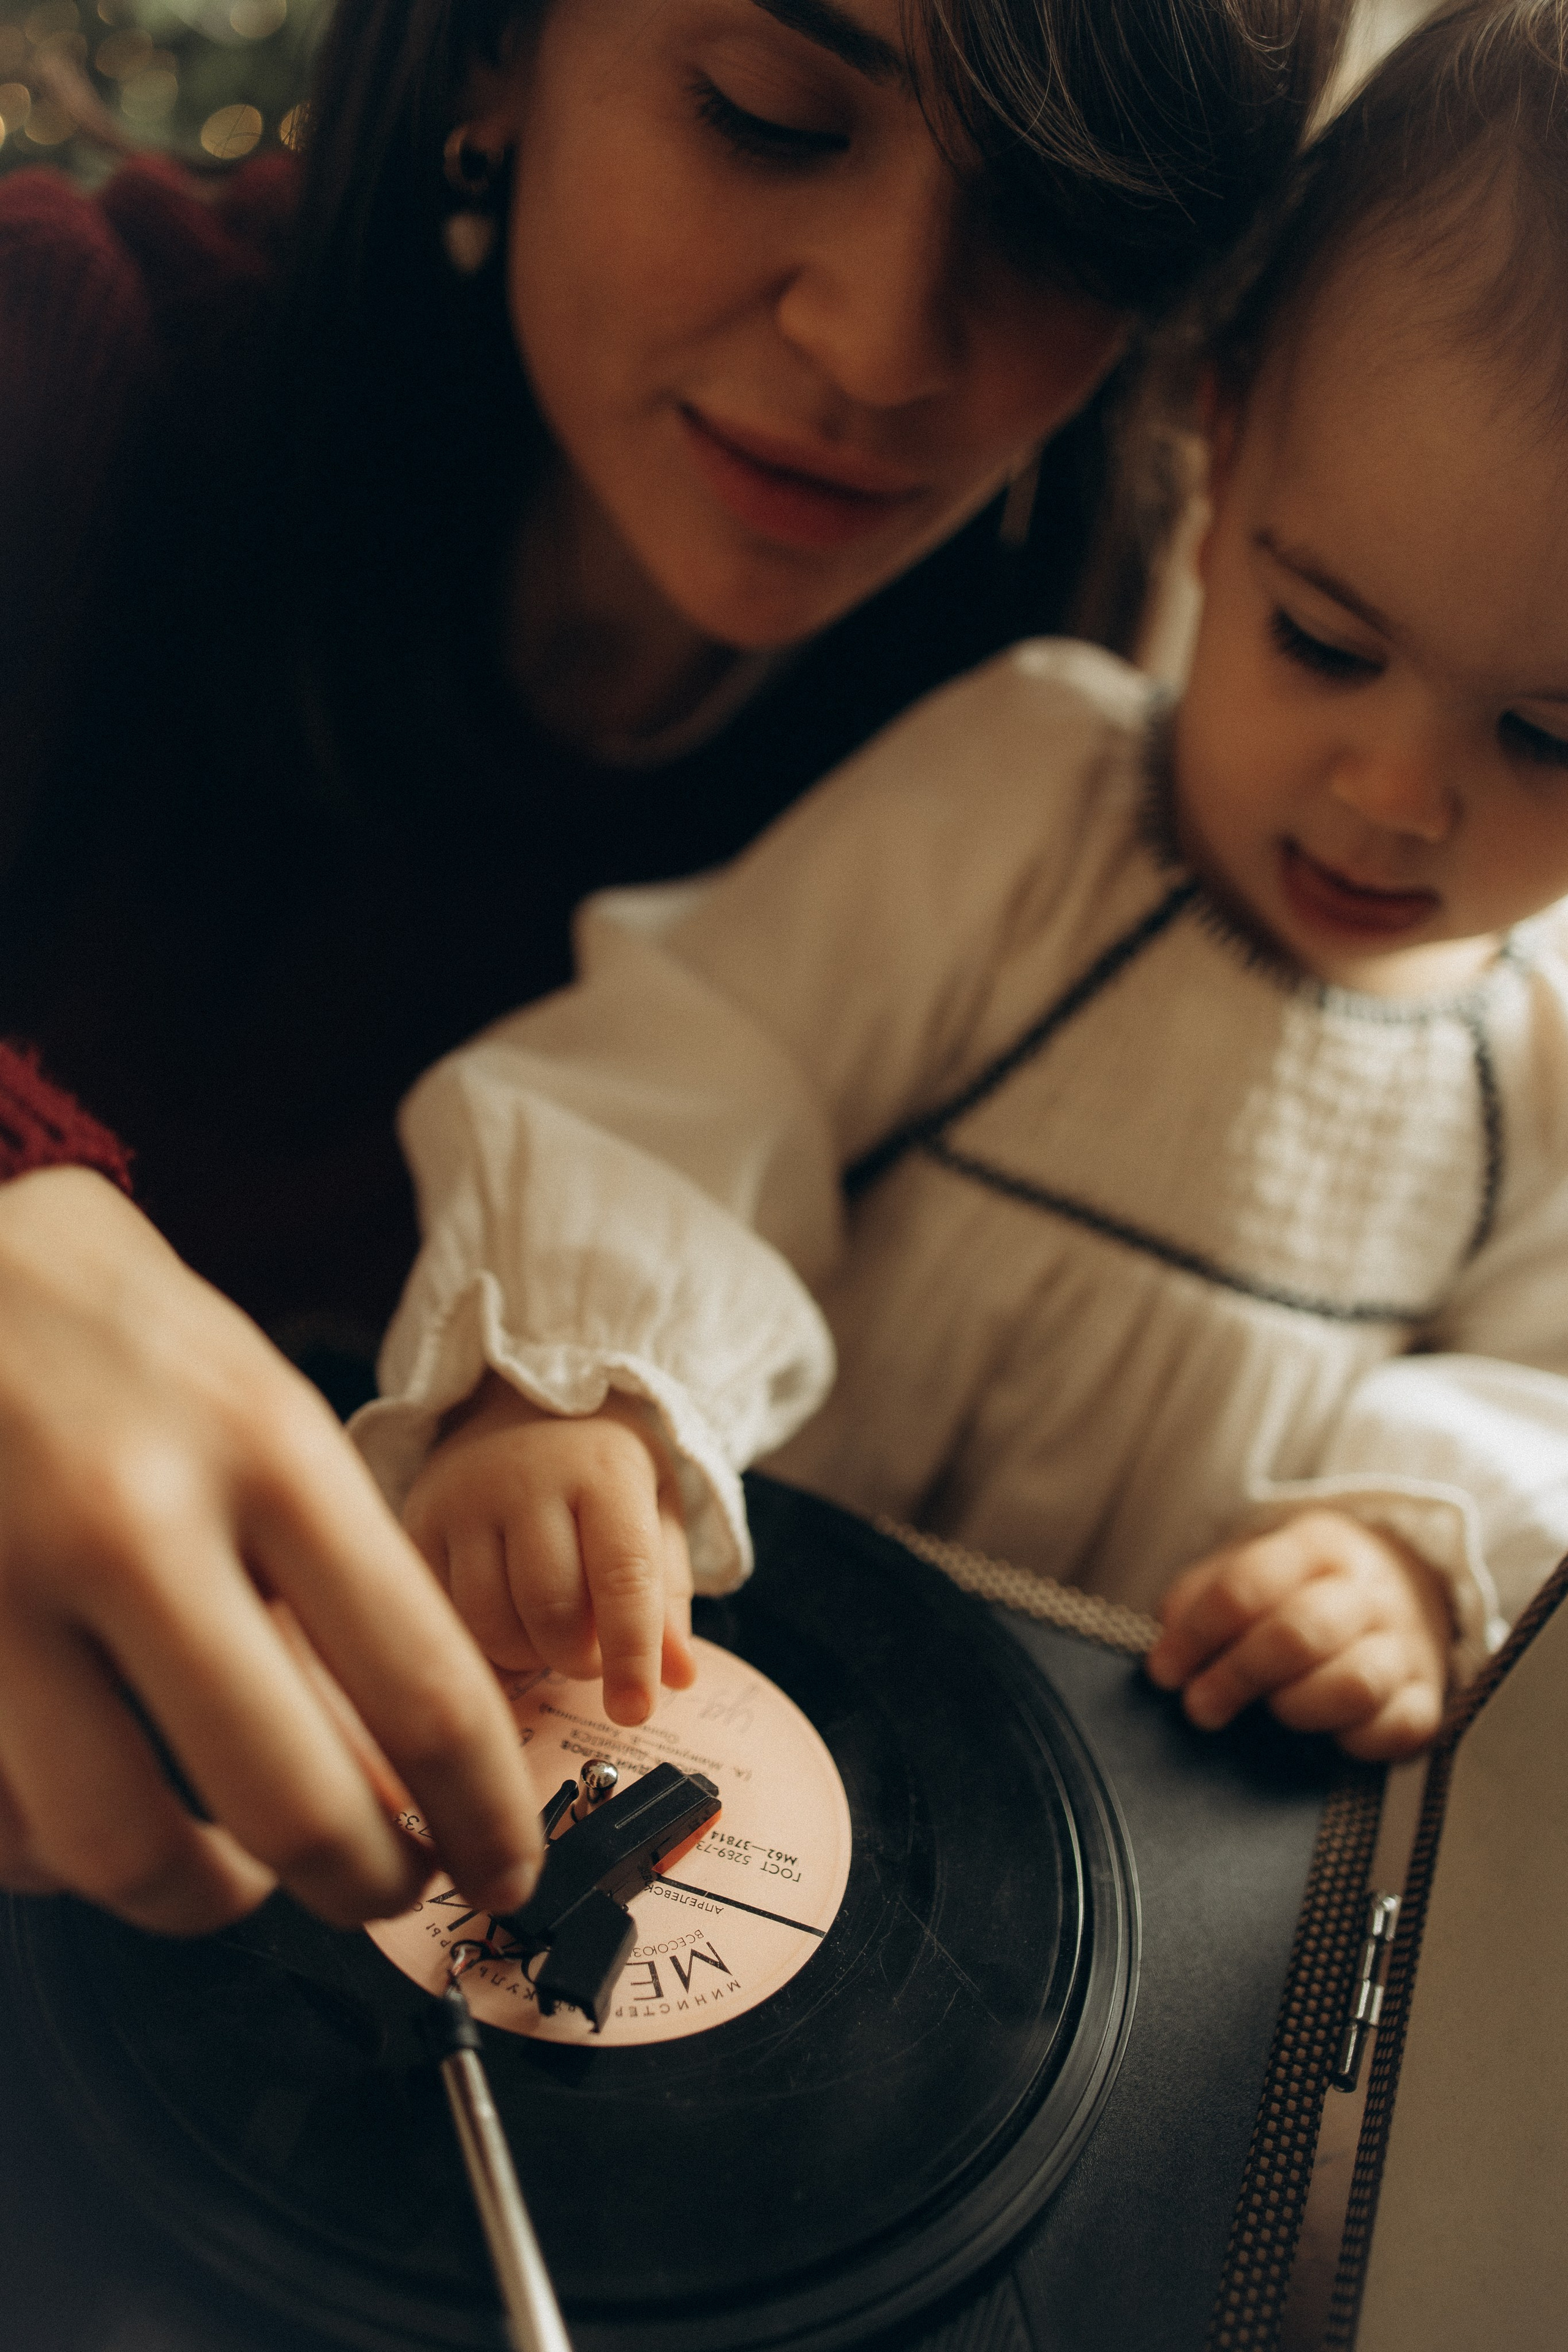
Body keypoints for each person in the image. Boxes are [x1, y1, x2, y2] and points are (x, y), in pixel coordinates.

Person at [0, 0, 1348, 1933]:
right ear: (489, 53)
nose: (881, 346)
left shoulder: (1077, 756)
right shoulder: (67, 348)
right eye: (770, 117)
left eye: (1063, 217)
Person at [364, 0, 1568, 1768]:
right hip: (722, 1673)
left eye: (1550, 738)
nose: (1396, 796)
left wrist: (1406, 1546)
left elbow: (1541, 1385)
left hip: (1125, 1822)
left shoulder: (1536, 1067)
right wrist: (582, 1389)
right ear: (1216, 442)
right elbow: (703, 1066)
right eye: (1319, 640)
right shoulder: (1033, 793)